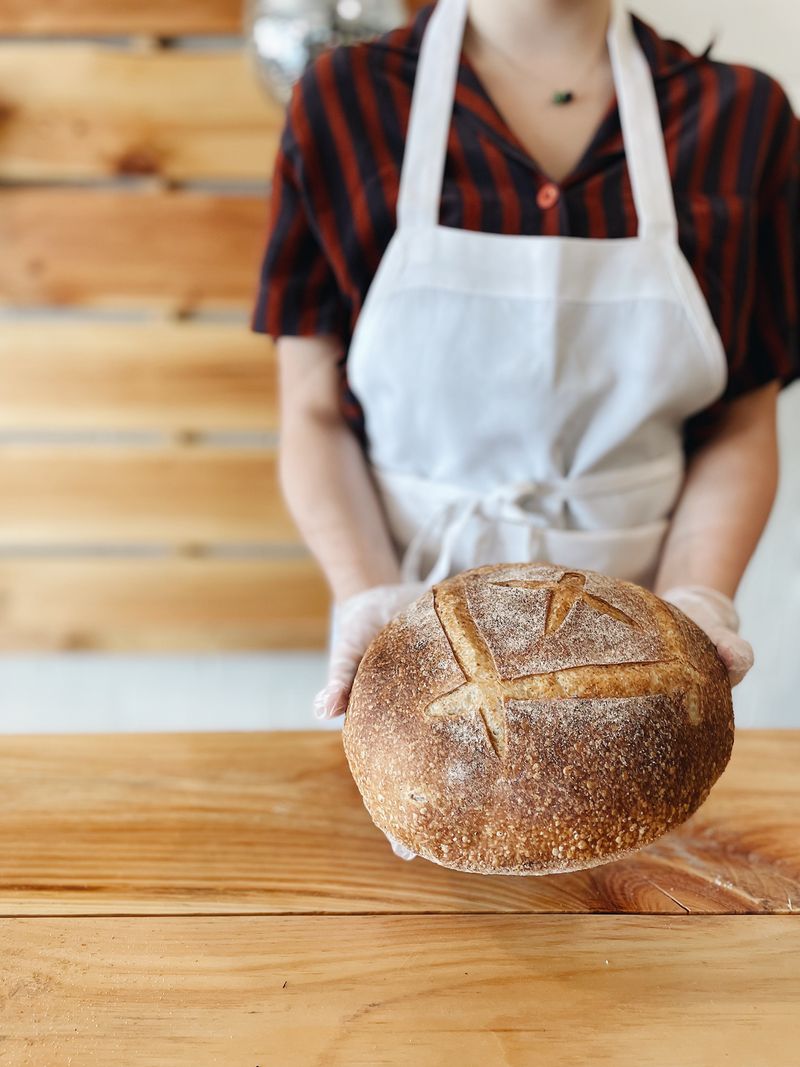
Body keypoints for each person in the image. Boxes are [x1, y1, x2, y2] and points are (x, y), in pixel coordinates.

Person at [252, 0, 798, 728]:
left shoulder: (742, 119)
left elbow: (741, 422)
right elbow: (313, 412)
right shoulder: (343, 102)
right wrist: (369, 594)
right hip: (406, 625)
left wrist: (696, 599)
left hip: (641, 640)